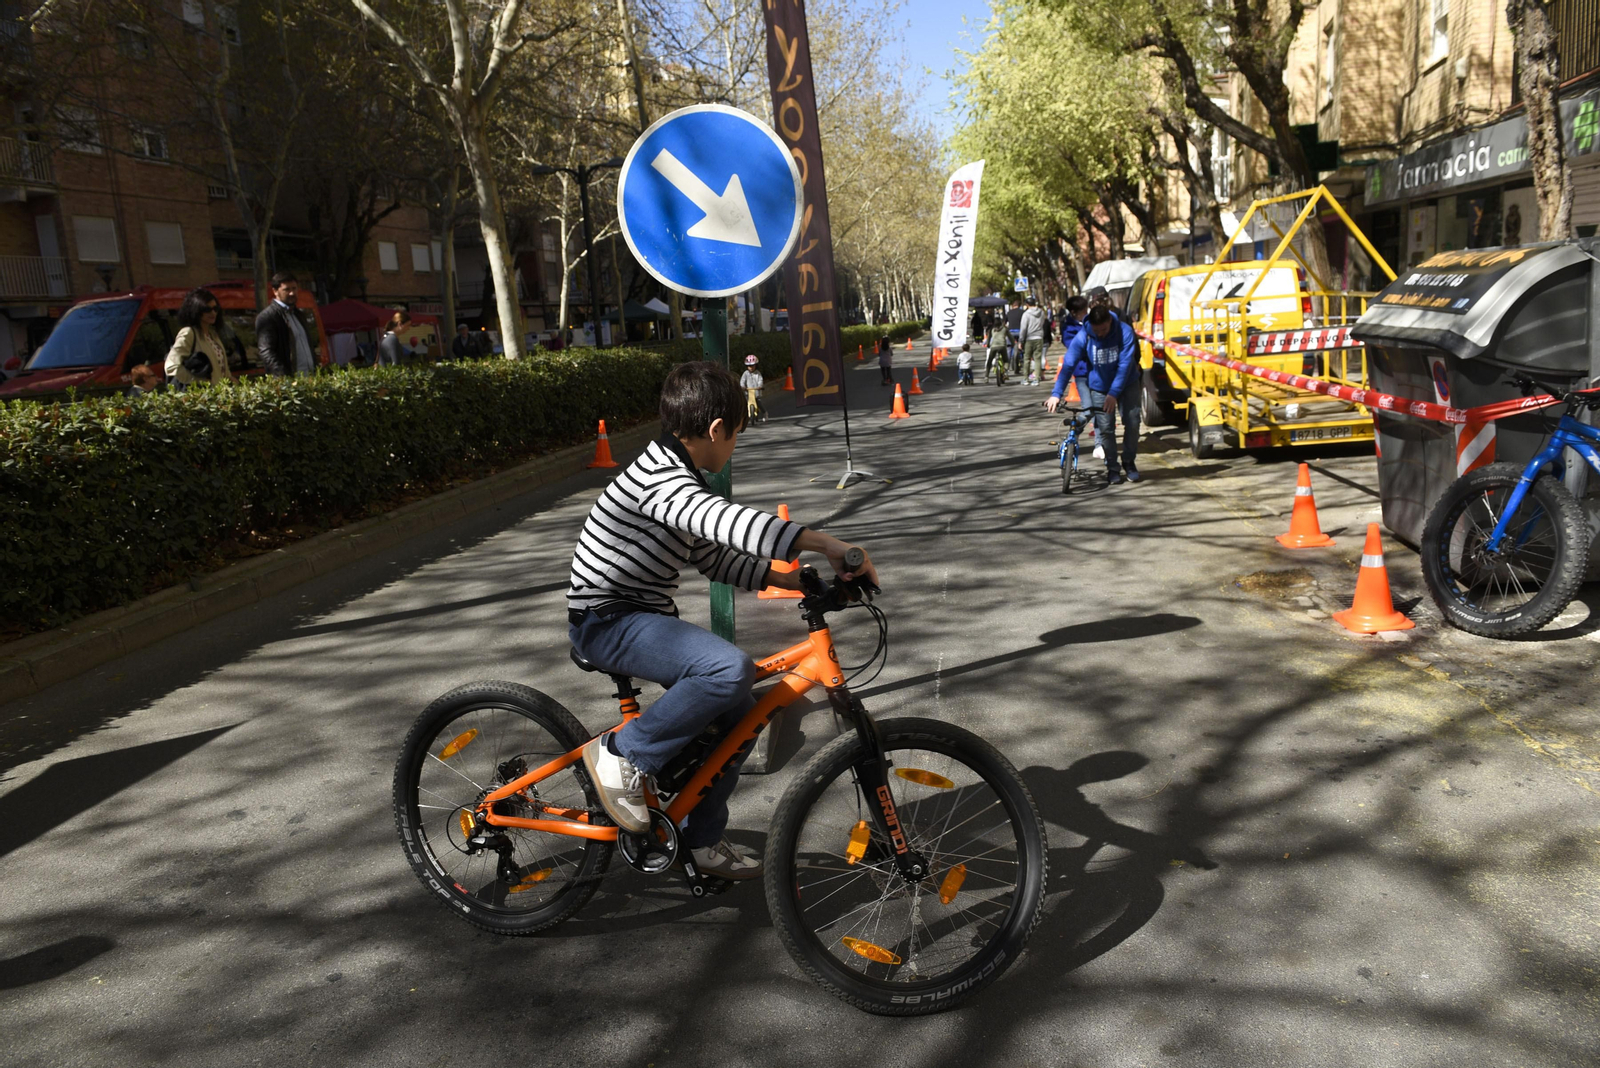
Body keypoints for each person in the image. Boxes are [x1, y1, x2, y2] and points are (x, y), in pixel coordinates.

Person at [568, 360, 878, 879]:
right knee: (727, 670)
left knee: (741, 714)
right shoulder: (661, 479)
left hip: (639, 615)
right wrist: (826, 542)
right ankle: (621, 753)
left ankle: (702, 841)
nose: (735, 444)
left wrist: (791, 579)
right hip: (607, 619)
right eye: (736, 434)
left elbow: (712, 557)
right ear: (716, 430)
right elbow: (723, 522)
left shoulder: (678, 475)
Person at [1047, 306, 1142, 485]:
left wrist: (1113, 393)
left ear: (1110, 322)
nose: (1100, 335)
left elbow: (1124, 366)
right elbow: (1068, 364)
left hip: (1127, 383)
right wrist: (1056, 393)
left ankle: (1129, 461)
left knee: (1133, 422)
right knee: (1106, 429)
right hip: (1099, 386)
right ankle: (1112, 467)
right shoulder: (1085, 335)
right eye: (1096, 331)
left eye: (1104, 330)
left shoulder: (1124, 331)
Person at [164, 287, 233, 388]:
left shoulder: (213, 334)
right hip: (203, 397)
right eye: (207, 309)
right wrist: (199, 382)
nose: (213, 313)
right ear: (196, 311)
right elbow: (171, 367)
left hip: (219, 396)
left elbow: (223, 370)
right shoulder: (189, 333)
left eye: (215, 308)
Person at [255, 272, 318, 376]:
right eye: (287, 289)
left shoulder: (299, 315)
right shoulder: (268, 317)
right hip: (290, 384)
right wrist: (283, 377)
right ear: (275, 291)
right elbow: (266, 352)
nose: (292, 293)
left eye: (294, 288)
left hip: (310, 379)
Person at [1060, 295, 1090, 402]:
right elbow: (1075, 348)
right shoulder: (1068, 328)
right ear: (1073, 313)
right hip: (1081, 371)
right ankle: (1081, 418)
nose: (1086, 313)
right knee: (1088, 409)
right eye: (1084, 311)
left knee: (1100, 409)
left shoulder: (1090, 322)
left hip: (1096, 372)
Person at [1018, 296, 1047, 386]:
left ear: (1027, 304)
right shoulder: (1041, 312)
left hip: (1029, 338)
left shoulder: (1026, 314)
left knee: (1027, 359)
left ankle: (1026, 378)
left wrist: (1021, 340)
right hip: (1039, 337)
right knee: (1037, 359)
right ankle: (1037, 379)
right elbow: (1043, 323)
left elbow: (1023, 328)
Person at [739, 353, 766, 424]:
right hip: (748, 393)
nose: (750, 367)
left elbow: (760, 380)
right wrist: (742, 386)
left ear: (755, 365)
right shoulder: (745, 374)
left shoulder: (758, 374)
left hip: (756, 393)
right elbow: (742, 381)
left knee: (759, 403)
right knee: (744, 403)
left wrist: (760, 386)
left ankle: (764, 413)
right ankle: (743, 417)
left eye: (752, 366)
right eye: (749, 366)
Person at [1005, 300, 1025, 374]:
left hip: (1011, 332)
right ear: (1019, 306)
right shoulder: (1022, 312)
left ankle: (1008, 364)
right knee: (1022, 345)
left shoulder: (1009, 313)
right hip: (1020, 331)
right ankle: (1021, 356)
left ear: (1013, 306)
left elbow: (1004, 322)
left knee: (1009, 347)